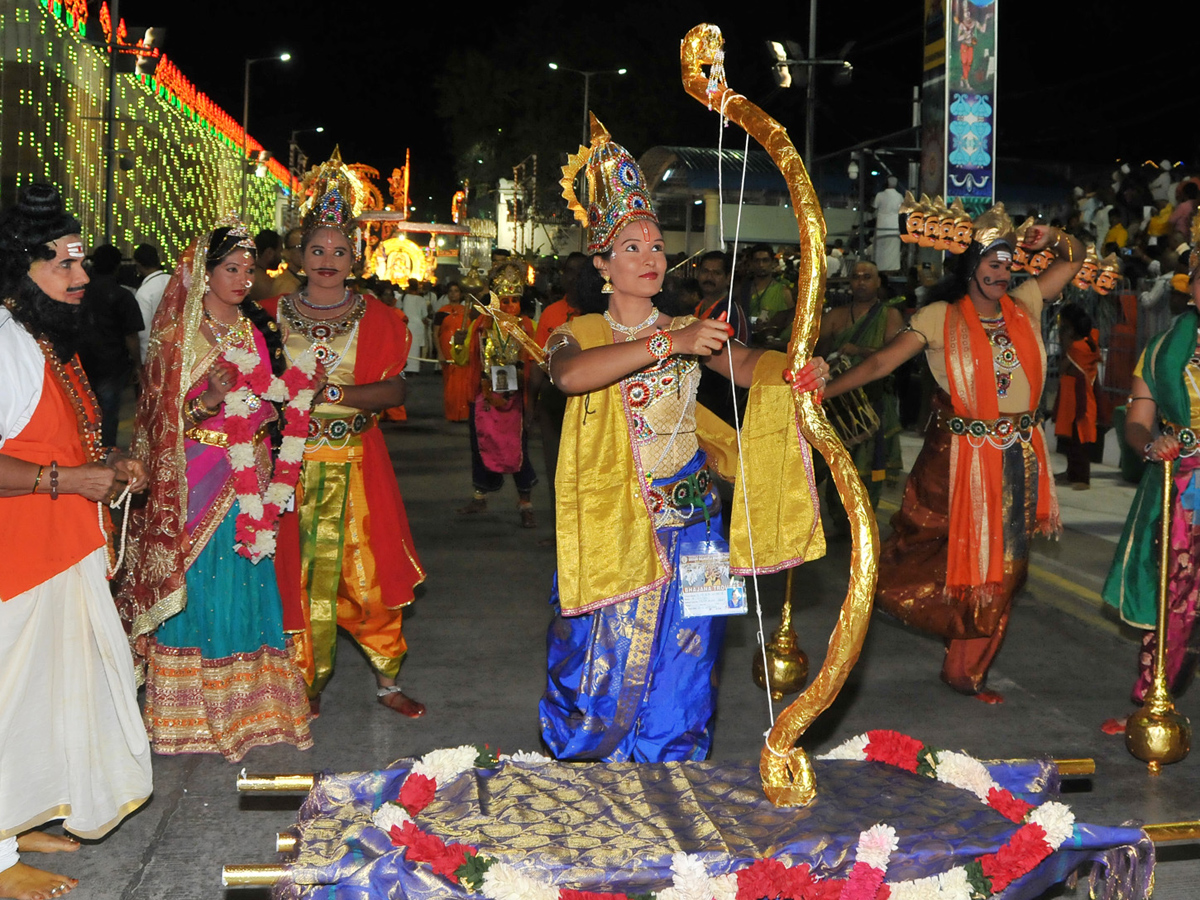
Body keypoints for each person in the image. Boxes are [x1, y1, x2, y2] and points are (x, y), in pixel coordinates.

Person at [538, 115, 827, 762]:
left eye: (657, 246)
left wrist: (799, 368)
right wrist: (672, 342)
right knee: (596, 667)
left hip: (699, 524)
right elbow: (571, 378)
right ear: (603, 263)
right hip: (613, 526)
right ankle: (599, 779)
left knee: (694, 662)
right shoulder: (577, 330)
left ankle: (676, 775)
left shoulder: (687, 326)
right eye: (631, 247)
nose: (649, 258)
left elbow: (750, 366)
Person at [823, 203, 1083, 702]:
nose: (1001, 272)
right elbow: (879, 364)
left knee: (1005, 569)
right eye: (991, 261)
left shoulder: (1026, 302)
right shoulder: (939, 316)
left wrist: (1052, 237)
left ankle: (967, 664)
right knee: (937, 551)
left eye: (1008, 263)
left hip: (1019, 457)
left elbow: (1074, 258)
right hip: (959, 460)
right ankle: (948, 644)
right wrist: (822, 393)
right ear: (970, 266)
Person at [0, 183, 152, 900]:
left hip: (56, 556)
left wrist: (107, 467)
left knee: (40, 702)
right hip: (17, 563)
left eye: (79, 259)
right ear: (17, 271)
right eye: (61, 263)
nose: (81, 275)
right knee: (8, 702)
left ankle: (15, 819)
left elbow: (65, 440)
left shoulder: (38, 339)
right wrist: (67, 479)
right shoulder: (3, 342)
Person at [116, 219, 314, 761]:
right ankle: (189, 713)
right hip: (194, 475)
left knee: (246, 577)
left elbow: (262, 400)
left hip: (248, 471)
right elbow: (159, 418)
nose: (243, 279)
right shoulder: (179, 333)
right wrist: (208, 401)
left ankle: (254, 708)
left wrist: (284, 406)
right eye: (231, 269)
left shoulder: (251, 332)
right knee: (197, 582)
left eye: (250, 270)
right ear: (204, 273)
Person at [264, 152, 426, 718]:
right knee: (296, 579)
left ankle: (387, 680)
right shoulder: (268, 315)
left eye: (339, 251)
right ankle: (299, 685)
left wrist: (330, 396)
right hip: (286, 470)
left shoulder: (380, 317)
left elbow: (395, 392)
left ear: (355, 258)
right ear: (298, 255)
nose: (327, 260)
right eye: (316, 249)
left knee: (371, 579)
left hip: (357, 463)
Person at [1103, 255, 1200, 713]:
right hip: (1181, 489)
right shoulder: (1162, 350)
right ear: (1190, 288)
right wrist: (1150, 445)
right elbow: (1138, 422)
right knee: (1172, 597)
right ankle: (1153, 703)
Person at [816, 260, 904, 516]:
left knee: (869, 466)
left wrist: (860, 351)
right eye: (856, 277)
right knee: (837, 464)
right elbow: (818, 355)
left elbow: (895, 356)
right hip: (838, 402)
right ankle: (839, 517)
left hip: (874, 401)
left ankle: (863, 522)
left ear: (878, 282)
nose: (861, 282)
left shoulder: (889, 315)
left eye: (868, 277)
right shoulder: (836, 315)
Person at [457, 260, 538, 528]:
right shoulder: (480, 325)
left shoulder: (527, 327)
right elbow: (461, 360)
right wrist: (457, 344)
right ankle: (479, 497)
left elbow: (535, 360)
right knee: (481, 445)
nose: (510, 306)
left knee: (517, 451)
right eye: (504, 300)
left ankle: (525, 504)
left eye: (515, 301)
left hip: (515, 401)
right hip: (485, 398)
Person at [77, 244, 143, 446]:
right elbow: (131, 335)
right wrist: (138, 365)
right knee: (107, 412)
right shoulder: (122, 295)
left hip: (82, 360)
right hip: (111, 363)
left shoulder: (79, 293)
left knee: (80, 409)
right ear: (117, 266)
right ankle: (105, 455)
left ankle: (85, 451)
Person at [1054, 304, 1100, 490]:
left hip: (1079, 398)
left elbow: (1064, 367)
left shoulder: (1077, 348)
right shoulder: (1088, 340)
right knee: (1069, 438)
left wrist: (1065, 340)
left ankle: (1082, 477)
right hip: (1070, 396)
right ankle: (1072, 473)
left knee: (1079, 439)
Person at [433, 281, 473, 422]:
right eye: (451, 291)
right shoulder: (442, 312)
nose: (453, 294)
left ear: (461, 294)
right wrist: (440, 352)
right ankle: (452, 413)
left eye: (456, 291)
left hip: (463, 350)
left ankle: (463, 412)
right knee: (449, 382)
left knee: (464, 380)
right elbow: (435, 333)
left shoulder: (467, 311)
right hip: (446, 349)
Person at [740, 243, 795, 344]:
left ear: (773, 263)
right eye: (757, 261)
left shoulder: (783, 291)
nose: (761, 265)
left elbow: (790, 321)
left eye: (765, 260)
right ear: (751, 264)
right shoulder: (743, 290)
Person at [133, 243, 169, 363]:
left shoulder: (144, 292)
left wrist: (143, 362)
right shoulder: (175, 281)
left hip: (154, 357)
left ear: (138, 265)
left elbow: (143, 332)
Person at [873, 176, 904, 272]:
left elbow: (874, 207)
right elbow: (902, 211)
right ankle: (892, 271)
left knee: (880, 253)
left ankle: (880, 270)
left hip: (881, 227)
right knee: (893, 253)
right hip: (894, 227)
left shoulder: (880, 195)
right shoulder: (899, 196)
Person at [248, 228, 282, 302]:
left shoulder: (252, 274)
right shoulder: (264, 282)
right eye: (280, 251)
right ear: (269, 253)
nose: (281, 256)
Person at [270, 226, 304, 297]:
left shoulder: (294, 279)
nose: (305, 252)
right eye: (300, 247)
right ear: (286, 253)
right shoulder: (288, 285)